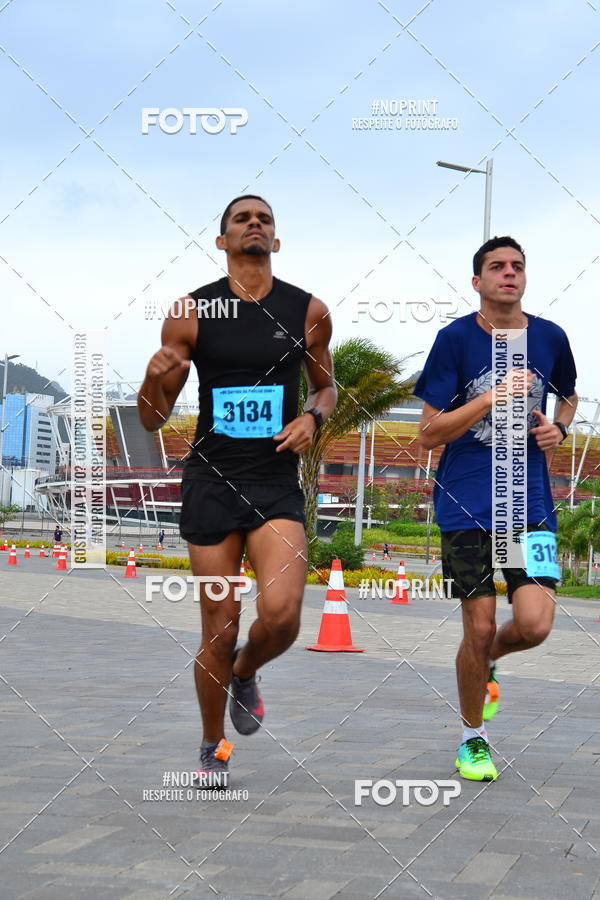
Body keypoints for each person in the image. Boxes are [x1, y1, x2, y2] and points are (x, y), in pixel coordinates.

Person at [138, 195, 336, 787]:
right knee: (219, 626)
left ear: (276, 240)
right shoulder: (190, 312)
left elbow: (325, 387)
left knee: (283, 616)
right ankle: (212, 745)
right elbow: (152, 419)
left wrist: (312, 417)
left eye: (264, 219)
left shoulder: (308, 310)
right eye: (241, 219)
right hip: (211, 481)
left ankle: (245, 672)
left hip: (274, 480)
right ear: (223, 241)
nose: (254, 223)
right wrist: (153, 379)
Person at [415, 236, 577, 782]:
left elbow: (568, 395)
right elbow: (428, 433)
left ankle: (488, 663)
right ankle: (474, 739)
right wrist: (488, 398)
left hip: (529, 505)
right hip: (467, 505)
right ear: (477, 281)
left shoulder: (550, 337)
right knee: (479, 627)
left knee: (534, 624)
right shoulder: (454, 340)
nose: (509, 273)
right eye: (497, 267)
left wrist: (560, 428)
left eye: (517, 266)